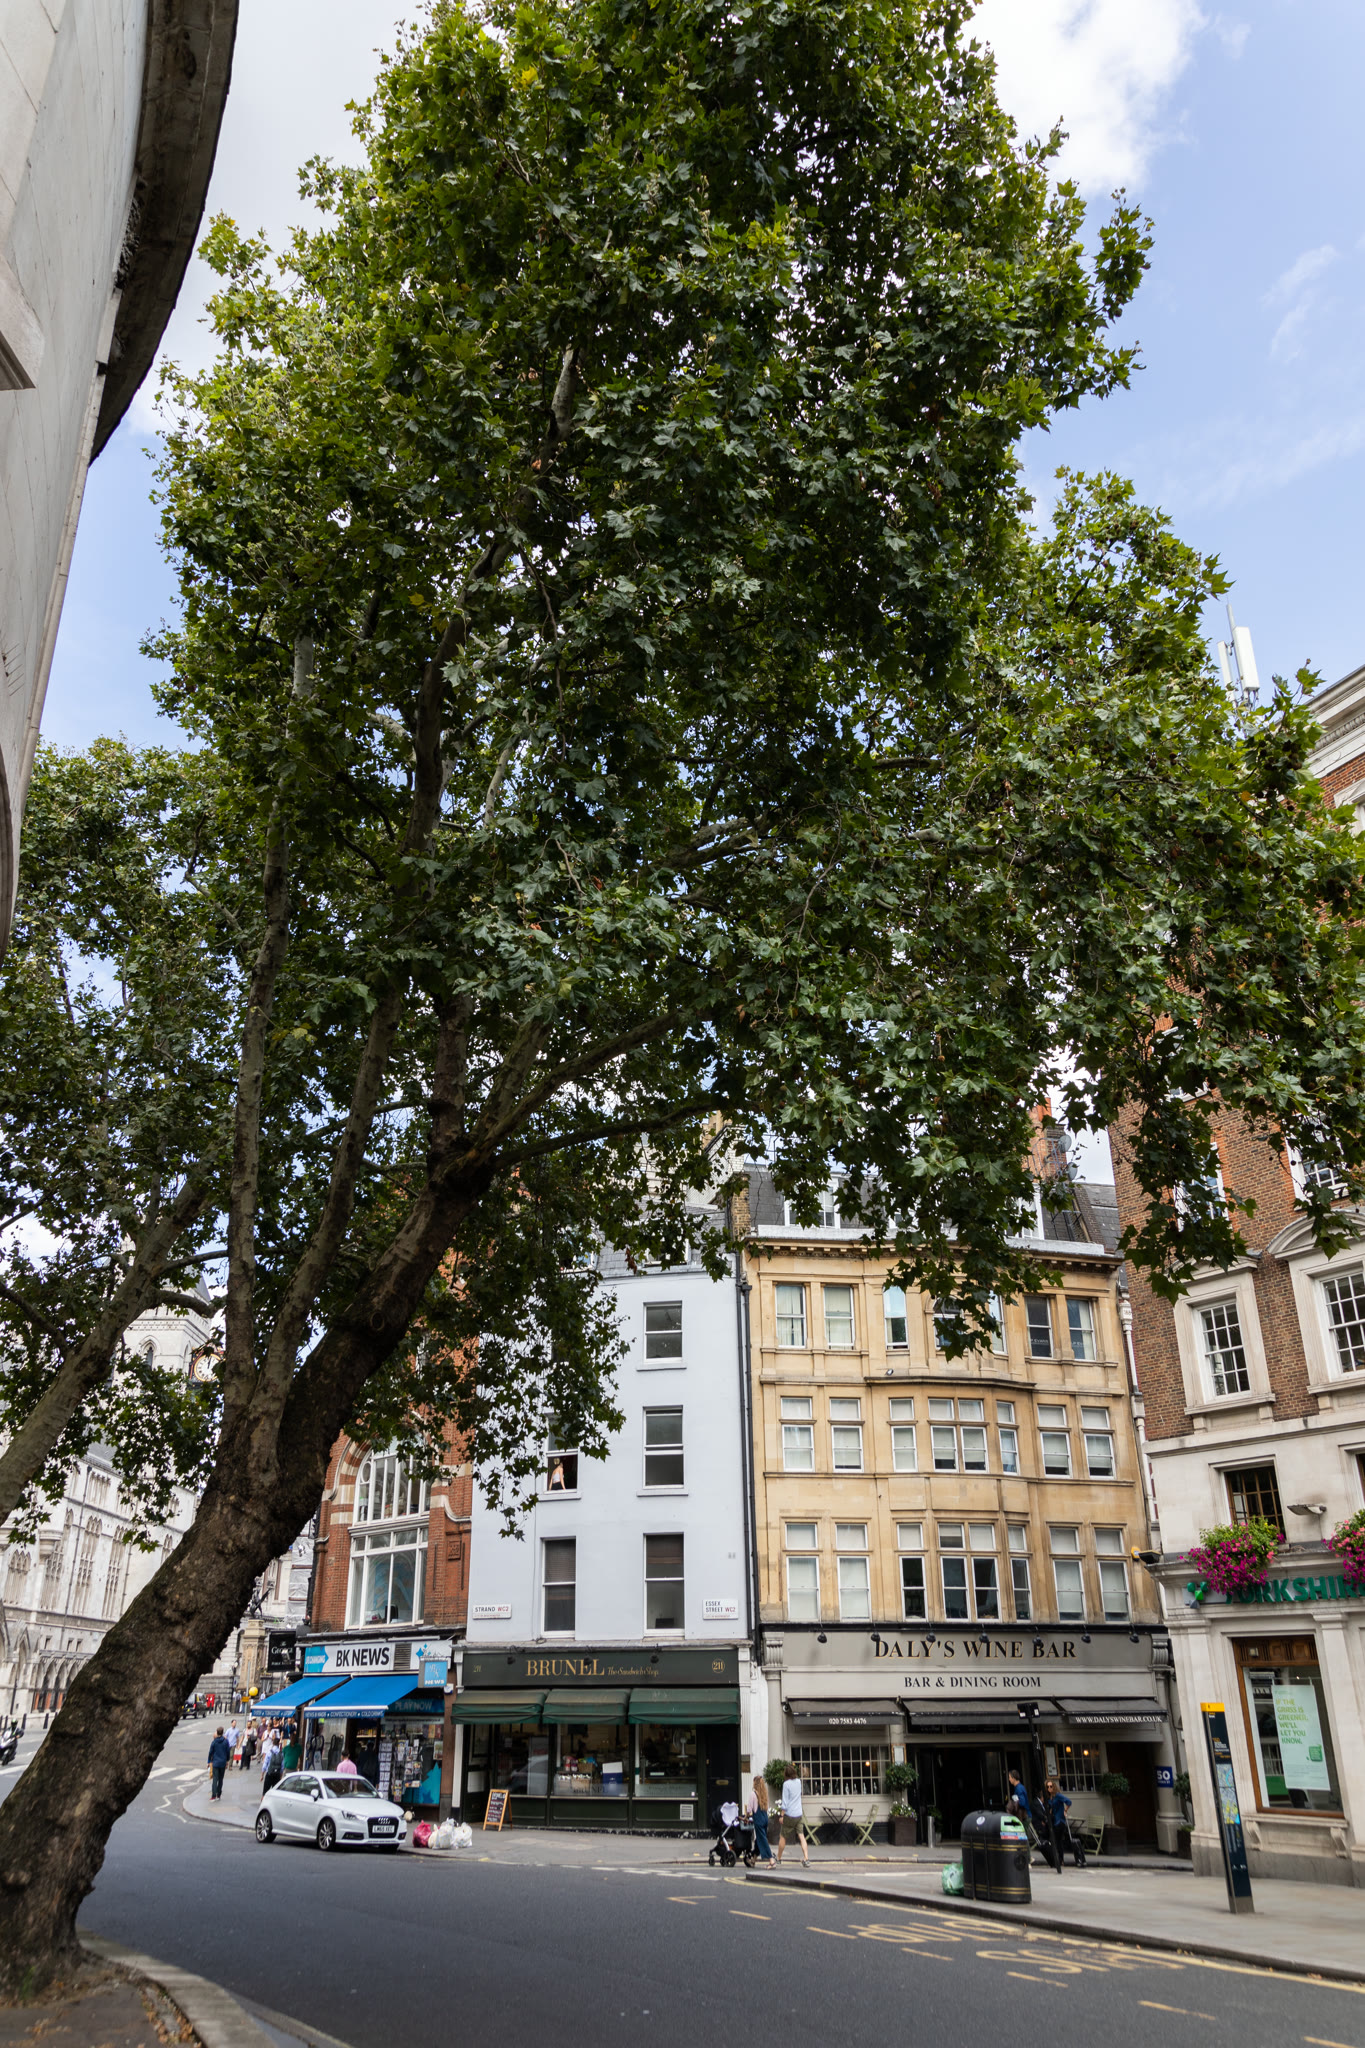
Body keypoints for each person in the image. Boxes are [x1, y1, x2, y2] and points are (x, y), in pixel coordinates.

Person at [774, 1763, 809, 1867]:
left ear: (786, 1774)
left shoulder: (786, 1784)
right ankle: (806, 1858)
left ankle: (778, 1858)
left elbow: (785, 1802)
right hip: (798, 1814)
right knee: (801, 1836)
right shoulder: (798, 1782)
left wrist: (781, 1815)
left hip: (789, 1814)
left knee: (783, 1837)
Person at [1046, 1778, 1085, 1867]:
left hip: (1060, 1821)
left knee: (1057, 1841)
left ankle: (1060, 1860)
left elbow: (1069, 1802)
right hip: (1054, 1821)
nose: (1049, 1788)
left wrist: (1065, 1810)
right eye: (1048, 1787)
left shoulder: (1058, 1795)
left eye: (1051, 1786)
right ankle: (1059, 1859)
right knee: (1056, 1841)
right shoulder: (1050, 1798)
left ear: (1054, 1787)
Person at [746, 1774, 773, 1862]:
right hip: (765, 1818)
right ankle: (754, 1859)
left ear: (755, 1783)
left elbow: (749, 1809)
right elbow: (766, 1807)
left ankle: (771, 1860)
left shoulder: (753, 1794)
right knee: (759, 1839)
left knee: (763, 1840)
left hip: (758, 1820)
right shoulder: (764, 1794)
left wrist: (746, 1817)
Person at [206, 1725, 231, 1801]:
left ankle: (213, 1795)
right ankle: (218, 1794)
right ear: (223, 1733)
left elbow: (210, 1752)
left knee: (215, 1779)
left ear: (217, 1732)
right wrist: (227, 1761)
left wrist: (209, 1761)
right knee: (220, 1779)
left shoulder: (214, 1742)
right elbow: (228, 1752)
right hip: (223, 1762)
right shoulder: (226, 1741)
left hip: (216, 1763)